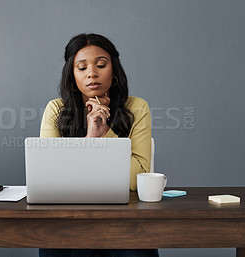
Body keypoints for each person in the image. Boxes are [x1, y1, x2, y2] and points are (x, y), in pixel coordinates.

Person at [39, 33, 157, 257]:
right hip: (68, 217)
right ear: (72, 76)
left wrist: (105, 136)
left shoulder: (137, 107)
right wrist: (90, 140)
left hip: (124, 216)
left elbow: (137, 179)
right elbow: (50, 177)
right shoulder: (56, 110)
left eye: (101, 65)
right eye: (81, 68)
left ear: (114, 71)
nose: (92, 73)